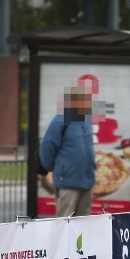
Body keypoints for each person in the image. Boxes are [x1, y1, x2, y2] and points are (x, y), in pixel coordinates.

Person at [39, 85, 96, 217]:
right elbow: (47, 146)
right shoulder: (60, 119)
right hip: (68, 182)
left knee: (84, 225)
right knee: (65, 223)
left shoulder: (86, 122)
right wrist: (54, 168)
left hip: (87, 182)